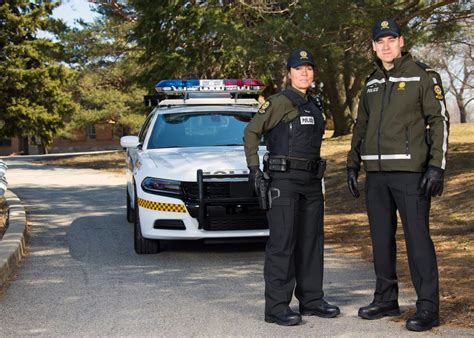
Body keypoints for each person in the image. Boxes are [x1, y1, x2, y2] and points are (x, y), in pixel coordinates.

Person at [346, 19, 449, 332]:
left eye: (391, 39)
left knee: (418, 241)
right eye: (380, 41)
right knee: (381, 240)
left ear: (401, 41)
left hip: (410, 173)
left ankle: (428, 307)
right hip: (376, 175)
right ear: (374, 47)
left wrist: (436, 166)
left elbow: (439, 121)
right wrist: (353, 163)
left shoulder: (422, 75)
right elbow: (361, 126)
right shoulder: (371, 82)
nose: (386, 46)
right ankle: (386, 298)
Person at [244, 48, 340, 326]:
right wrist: (254, 170)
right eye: (299, 69)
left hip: (311, 183)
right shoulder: (278, 102)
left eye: (309, 68)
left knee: (311, 242)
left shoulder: (314, 104)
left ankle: (311, 300)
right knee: (283, 244)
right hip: (284, 182)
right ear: (289, 73)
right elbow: (251, 132)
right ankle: (276, 307)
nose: (305, 73)